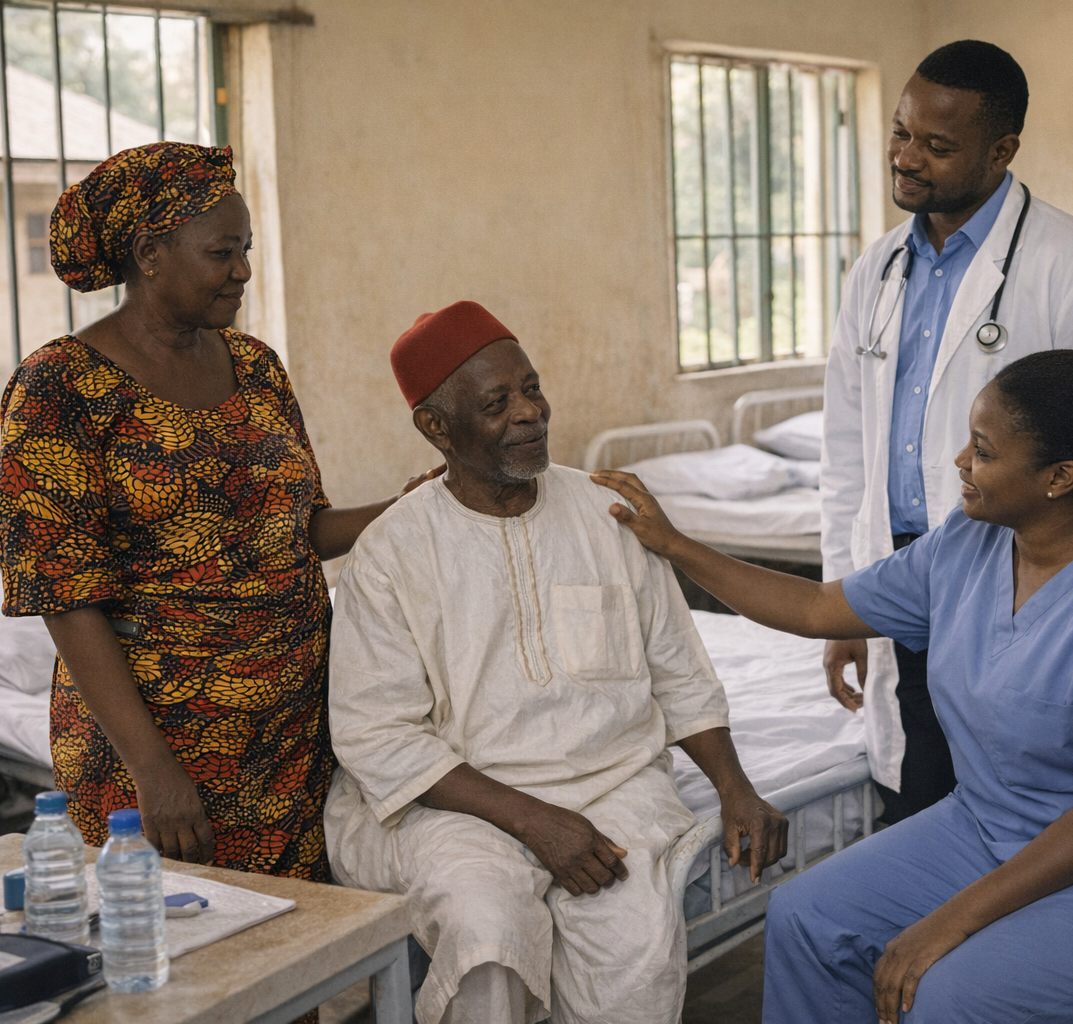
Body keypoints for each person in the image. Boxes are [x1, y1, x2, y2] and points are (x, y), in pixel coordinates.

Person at [595, 349, 1073, 1024]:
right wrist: (675, 545)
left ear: (1060, 477)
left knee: (947, 993)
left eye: (983, 451)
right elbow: (817, 608)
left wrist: (948, 922)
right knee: (805, 916)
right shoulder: (967, 545)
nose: (960, 462)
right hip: (994, 825)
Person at [323, 300, 789, 1024]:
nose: (529, 413)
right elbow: (377, 736)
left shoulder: (607, 514)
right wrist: (535, 822)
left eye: (532, 388)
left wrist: (736, 787)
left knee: (633, 958)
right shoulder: (391, 553)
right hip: (457, 806)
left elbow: (677, 669)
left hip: (613, 787)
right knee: (487, 933)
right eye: (497, 403)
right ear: (436, 427)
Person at [0, 142, 435, 883]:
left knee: (301, 937)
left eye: (247, 249)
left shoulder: (256, 367)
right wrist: (153, 769)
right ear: (150, 254)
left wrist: (406, 507)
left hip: (296, 734)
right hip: (163, 748)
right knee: (182, 937)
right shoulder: (59, 388)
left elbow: (300, 530)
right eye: (221, 253)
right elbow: (64, 595)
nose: (243, 271)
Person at [821, 40, 1073, 824]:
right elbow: (846, 450)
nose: (906, 157)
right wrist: (843, 600)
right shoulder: (876, 270)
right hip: (899, 580)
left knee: (1020, 813)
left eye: (937, 146)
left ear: (1002, 150)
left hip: (1025, 591)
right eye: (901, 132)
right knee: (916, 802)